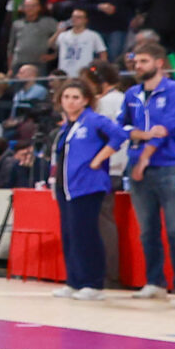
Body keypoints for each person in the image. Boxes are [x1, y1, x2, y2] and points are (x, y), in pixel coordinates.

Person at [120, 37, 175, 297]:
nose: (138, 65)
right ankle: (155, 281)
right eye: (136, 61)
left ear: (159, 63)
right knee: (147, 230)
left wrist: (146, 153)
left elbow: (169, 126)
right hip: (138, 167)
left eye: (144, 61)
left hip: (169, 167)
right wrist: (143, 134)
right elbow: (121, 126)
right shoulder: (131, 94)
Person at [52, 79, 123, 300]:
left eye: (76, 97)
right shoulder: (66, 126)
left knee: (86, 234)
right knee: (70, 234)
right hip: (66, 187)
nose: (70, 102)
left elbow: (119, 135)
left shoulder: (94, 120)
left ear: (85, 100)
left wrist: (98, 159)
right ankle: (74, 281)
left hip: (87, 186)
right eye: (66, 97)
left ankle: (93, 283)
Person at [6, 0, 57, 74]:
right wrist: (10, 68)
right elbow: (11, 46)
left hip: (39, 63)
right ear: (23, 8)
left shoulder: (49, 22)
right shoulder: (17, 24)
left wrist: (54, 56)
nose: (30, 8)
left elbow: (61, 38)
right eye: (27, 6)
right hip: (18, 63)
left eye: (33, 6)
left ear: (39, 7)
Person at [56, 7, 104, 79]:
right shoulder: (63, 35)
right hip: (64, 75)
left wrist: (97, 70)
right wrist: (58, 32)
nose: (74, 19)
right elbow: (51, 46)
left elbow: (102, 53)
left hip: (83, 75)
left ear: (85, 20)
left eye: (78, 17)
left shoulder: (93, 35)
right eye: (73, 17)